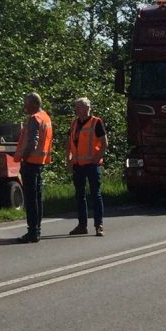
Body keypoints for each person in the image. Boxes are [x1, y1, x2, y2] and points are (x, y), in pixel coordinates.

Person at [13, 92, 52, 243]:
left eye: (27, 104)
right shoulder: (45, 117)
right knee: (37, 198)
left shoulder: (35, 119)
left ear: (35, 104)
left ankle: (33, 232)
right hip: (39, 162)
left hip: (31, 163)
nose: (25, 107)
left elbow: (32, 142)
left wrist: (24, 157)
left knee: (31, 199)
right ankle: (37, 230)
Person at [67, 97, 106, 237]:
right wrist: (69, 160)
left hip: (92, 165)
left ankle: (99, 225)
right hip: (78, 165)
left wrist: (96, 159)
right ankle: (82, 225)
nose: (80, 110)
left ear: (89, 108)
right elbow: (69, 143)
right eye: (78, 108)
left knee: (96, 195)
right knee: (80, 196)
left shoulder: (96, 122)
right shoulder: (73, 123)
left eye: (83, 107)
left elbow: (104, 143)